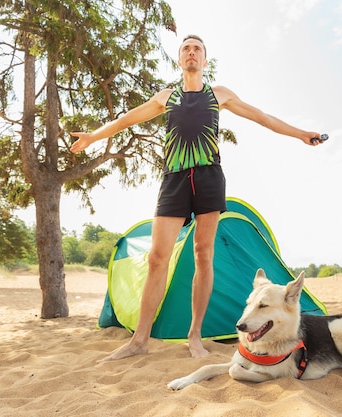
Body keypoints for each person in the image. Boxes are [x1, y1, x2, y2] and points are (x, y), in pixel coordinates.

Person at [71, 34, 324, 362]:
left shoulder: (219, 95)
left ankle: (194, 336)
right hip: (173, 179)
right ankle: (139, 340)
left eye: (197, 50)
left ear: (205, 60)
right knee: (156, 259)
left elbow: (263, 117)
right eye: (186, 49)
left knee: (204, 256)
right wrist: (93, 136)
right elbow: (126, 119)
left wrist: (301, 133)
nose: (192, 53)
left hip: (208, 178)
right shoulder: (166, 97)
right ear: (180, 60)